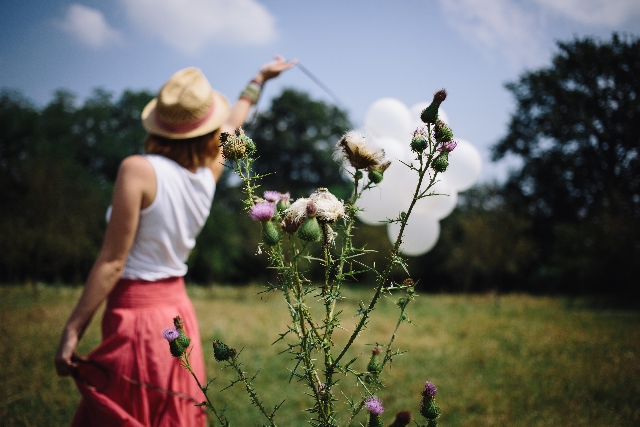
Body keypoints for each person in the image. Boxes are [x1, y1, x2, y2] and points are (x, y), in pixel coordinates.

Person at [54, 56, 296, 426]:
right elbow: (235, 121)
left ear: (159, 126)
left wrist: (72, 331)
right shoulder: (206, 175)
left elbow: (112, 262)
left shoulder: (138, 170)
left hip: (135, 317)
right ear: (208, 130)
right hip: (177, 314)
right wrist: (260, 79)